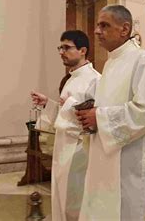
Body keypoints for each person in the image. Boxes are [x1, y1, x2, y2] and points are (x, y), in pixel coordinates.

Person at [75, 5, 145, 221]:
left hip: (128, 158)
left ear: (124, 29)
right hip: (104, 152)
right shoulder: (110, 63)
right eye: (98, 25)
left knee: (125, 210)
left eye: (104, 25)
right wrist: (91, 117)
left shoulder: (143, 60)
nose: (97, 31)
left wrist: (101, 117)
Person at [30, 30, 101, 221]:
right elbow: (64, 113)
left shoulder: (95, 79)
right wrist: (48, 104)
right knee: (61, 194)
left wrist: (68, 104)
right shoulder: (71, 78)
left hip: (80, 149)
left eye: (67, 47)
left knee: (75, 199)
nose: (61, 51)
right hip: (63, 146)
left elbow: (94, 119)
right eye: (60, 47)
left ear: (83, 50)